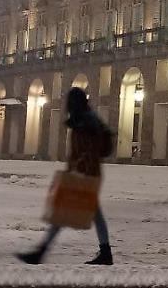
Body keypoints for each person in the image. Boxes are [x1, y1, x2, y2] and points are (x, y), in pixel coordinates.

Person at [18, 87, 114, 265]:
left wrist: (78, 170)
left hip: (84, 176)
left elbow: (89, 151)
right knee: (79, 213)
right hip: (84, 174)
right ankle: (105, 252)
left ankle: (41, 252)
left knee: (62, 214)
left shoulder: (86, 123)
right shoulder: (85, 120)